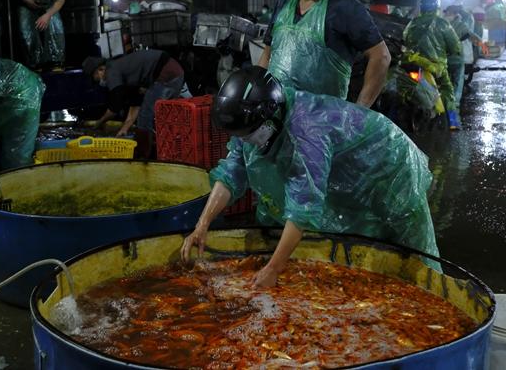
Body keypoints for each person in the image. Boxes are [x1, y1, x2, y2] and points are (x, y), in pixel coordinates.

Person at [180, 67, 439, 287]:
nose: (244, 142)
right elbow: (231, 173)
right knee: (358, 236)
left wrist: (273, 269)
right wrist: (202, 225)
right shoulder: (254, 126)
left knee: (411, 242)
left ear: (270, 119)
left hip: (390, 164)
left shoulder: (307, 131)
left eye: (248, 135)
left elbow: (303, 207)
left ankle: (433, 293)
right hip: (347, 170)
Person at [257, 0, 390, 106]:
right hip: (277, 113)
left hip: (322, 122)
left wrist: (360, 110)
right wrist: (256, 93)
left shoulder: (346, 8)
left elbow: (381, 56)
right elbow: (267, 55)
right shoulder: (283, 4)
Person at [82, 50, 185, 138]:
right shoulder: (127, 74)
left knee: (145, 117)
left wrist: (99, 122)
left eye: (95, 77)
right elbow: (135, 104)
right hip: (174, 72)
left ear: (101, 69)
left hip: (166, 73)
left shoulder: (111, 70)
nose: (97, 81)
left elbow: (115, 106)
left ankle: (143, 155)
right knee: (159, 115)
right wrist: (123, 130)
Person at [404, 0, 463, 130]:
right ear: (436, 8)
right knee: (448, 89)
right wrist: (454, 52)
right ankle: (453, 122)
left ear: (422, 8)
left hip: (414, 63)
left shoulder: (412, 23)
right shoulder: (442, 24)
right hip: (436, 66)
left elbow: (405, 39)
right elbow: (456, 47)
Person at [3, 0, 67, 71]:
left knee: (56, 27)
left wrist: (48, 15)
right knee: (26, 30)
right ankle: (35, 62)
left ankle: (56, 61)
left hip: (49, 1)